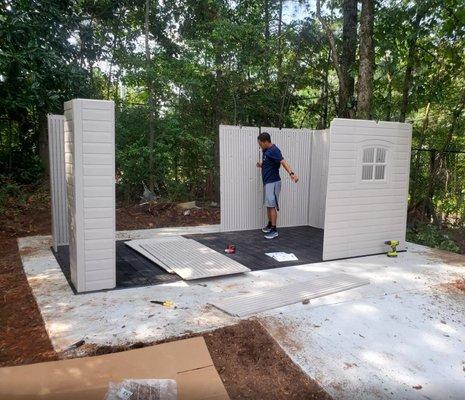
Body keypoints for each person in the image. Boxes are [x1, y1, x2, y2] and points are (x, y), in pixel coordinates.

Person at [256, 132, 299, 239]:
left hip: (273, 182)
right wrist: (262, 165)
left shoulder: (274, 150)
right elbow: (270, 163)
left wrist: (291, 173)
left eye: (260, 143)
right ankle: (270, 225)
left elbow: (283, 162)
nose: (259, 146)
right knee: (268, 205)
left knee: (272, 206)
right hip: (267, 182)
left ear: (266, 142)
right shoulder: (266, 151)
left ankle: (274, 230)